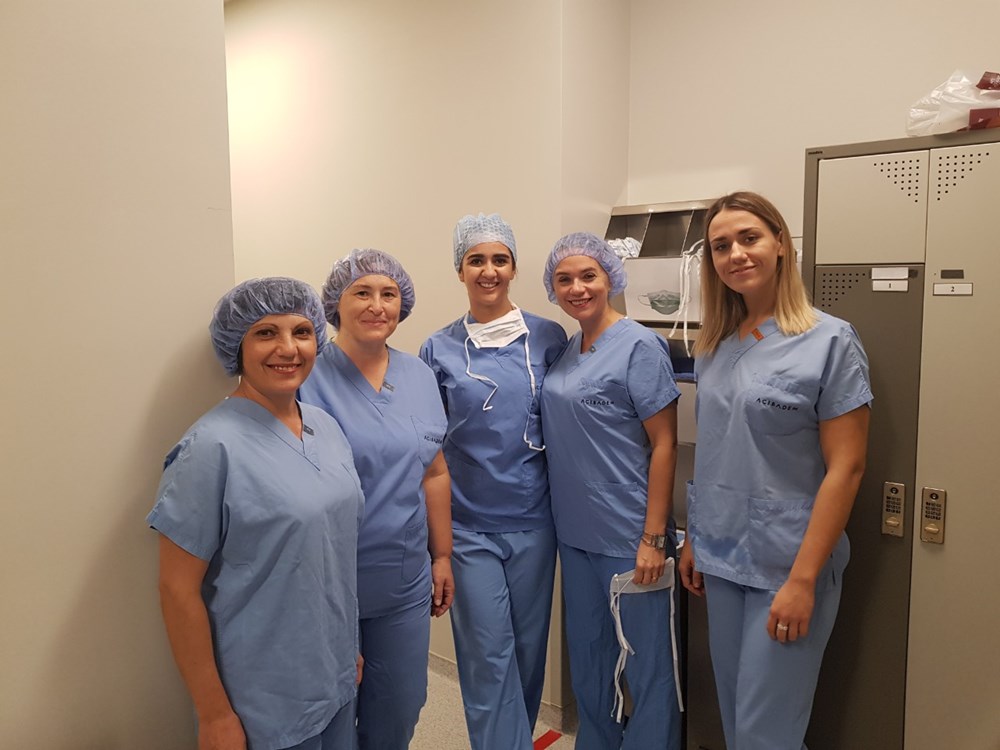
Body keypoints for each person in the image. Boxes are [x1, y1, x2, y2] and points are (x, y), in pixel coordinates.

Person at [678, 191, 872, 750]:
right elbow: (717, 450)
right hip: (721, 556)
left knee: (767, 733)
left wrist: (804, 580)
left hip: (790, 563)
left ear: (781, 244)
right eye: (721, 246)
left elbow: (847, 468)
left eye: (749, 238)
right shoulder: (715, 344)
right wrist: (695, 538)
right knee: (739, 722)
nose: (735, 254)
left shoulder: (830, 340)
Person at [148, 277, 364, 750]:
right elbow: (177, 590)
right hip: (263, 698)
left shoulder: (325, 427)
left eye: (301, 332)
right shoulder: (210, 448)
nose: (288, 348)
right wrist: (214, 714)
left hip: (333, 674)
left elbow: (333, 550)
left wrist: (349, 647)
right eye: (266, 333)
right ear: (237, 346)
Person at [418, 213, 568, 750]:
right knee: (486, 656)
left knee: (527, 652)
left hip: (535, 522)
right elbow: (430, 450)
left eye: (499, 259)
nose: (489, 270)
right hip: (468, 527)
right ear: (459, 270)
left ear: (514, 268)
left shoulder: (549, 338)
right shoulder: (437, 349)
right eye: (475, 260)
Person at [298, 248, 454, 750]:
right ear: (335, 304)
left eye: (388, 294)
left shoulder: (419, 375)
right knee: (333, 717)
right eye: (361, 292)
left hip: (403, 579)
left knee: (400, 707)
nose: (376, 305)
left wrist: (442, 555)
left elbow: (434, 470)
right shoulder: (305, 377)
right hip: (327, 581)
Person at [540, 232, 682, 750]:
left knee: (647, 667)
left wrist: (653, 538)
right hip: (576, 534)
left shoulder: (640, 346)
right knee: (591, 660)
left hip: (629, 536)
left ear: (610, 279)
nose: (577, 288)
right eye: (564, 279)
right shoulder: (567, 349)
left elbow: (664, 444)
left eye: (588, 276)